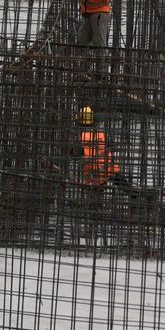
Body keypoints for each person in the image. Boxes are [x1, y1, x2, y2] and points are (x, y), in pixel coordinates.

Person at [71, 105, 122, 246]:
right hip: (109, 169)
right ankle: (133, 195)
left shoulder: (80, 136)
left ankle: (92, 229)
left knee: (93, 201)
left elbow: (74, 153)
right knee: (121, 187)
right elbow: (111, 146)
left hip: (94, 173)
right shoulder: (101, 133)